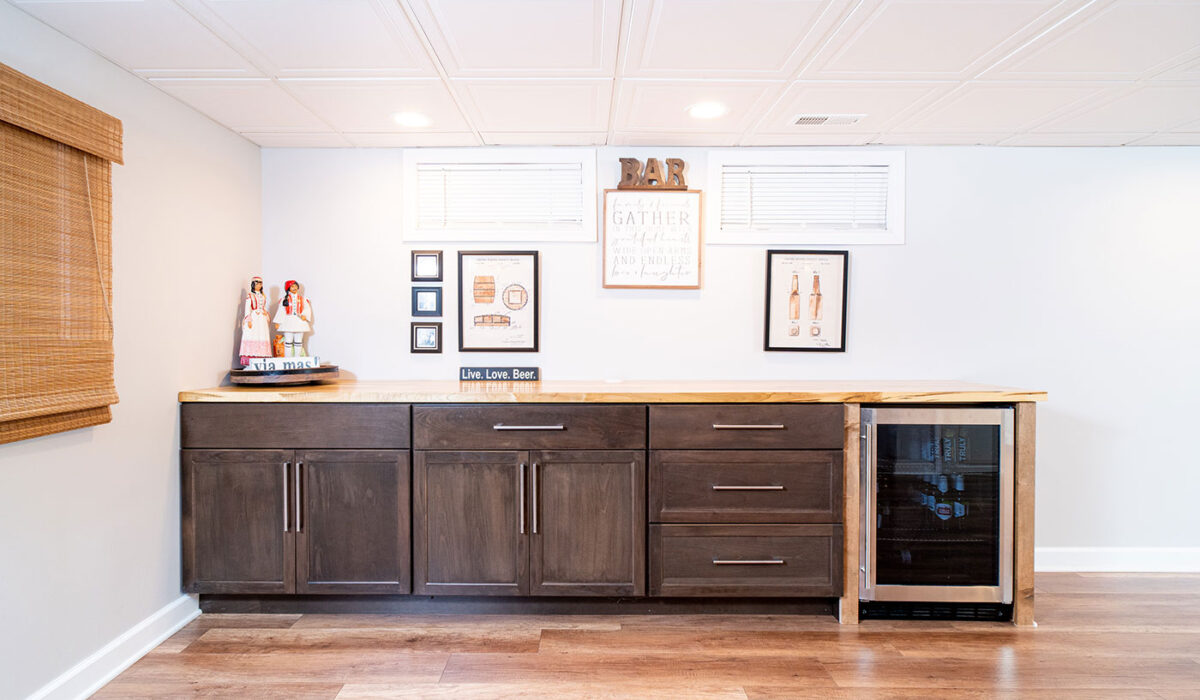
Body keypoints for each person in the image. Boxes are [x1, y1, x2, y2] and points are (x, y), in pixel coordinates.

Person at [273, 279, 313, 357]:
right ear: (288, 288)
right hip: (288, 321)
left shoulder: (303, 299)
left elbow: (307, 308)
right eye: (292, 287)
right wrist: (278, 321)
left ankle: (297, 358)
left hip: (299, 322)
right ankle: (288, 358)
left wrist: (305, 315)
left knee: (298, 341)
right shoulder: (284, 300)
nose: (294, 288)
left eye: (295, 286)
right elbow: (281, 310)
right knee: (288, 341)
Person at [238, 276, 271, 367]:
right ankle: (250, 360)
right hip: (254, 317)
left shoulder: (263, 296)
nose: (259, 285)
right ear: (253, 284)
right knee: (253, 335)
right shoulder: (250, 296)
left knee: (262, 335)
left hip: (262, 318)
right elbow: (247, 308)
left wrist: (266, 314)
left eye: (260, 284)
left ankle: (262, 357)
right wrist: (248, 318)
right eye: (257, 283)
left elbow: (263, 307)